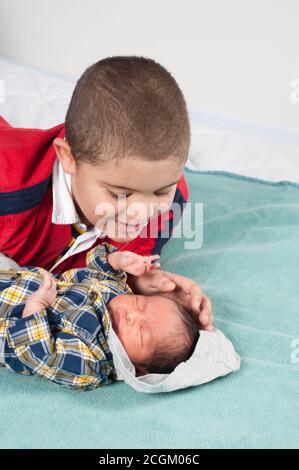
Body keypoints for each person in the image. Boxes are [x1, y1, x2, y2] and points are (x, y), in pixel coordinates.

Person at [0, 56, 212, 322]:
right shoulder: (9, 191)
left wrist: (139, 282)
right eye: (120, 193)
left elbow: (95, 271)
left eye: (160, 192)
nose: (142, 213)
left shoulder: (172, 203)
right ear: (69, 158)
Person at [0, 242, 213, 391]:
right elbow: (98, 268)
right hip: (12, 275)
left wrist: (36, 306)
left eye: (140, 332)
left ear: (138, 368)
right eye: (140, 303)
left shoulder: (93, 361)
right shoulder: (118, 293)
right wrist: (118, 260)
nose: (132, 315)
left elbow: (40, 356)